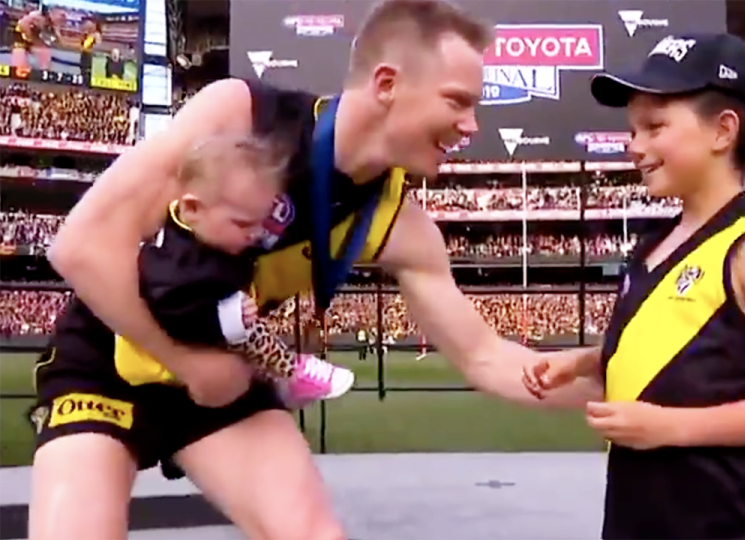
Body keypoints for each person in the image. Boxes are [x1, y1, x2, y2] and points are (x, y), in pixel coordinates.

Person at [35, 1, 594, 540]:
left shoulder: (402, 227)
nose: (471, 125)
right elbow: (82, 246)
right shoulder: (242, 116)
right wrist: (187, 362)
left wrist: (638, 383)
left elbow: (485, 356)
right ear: (386, 84)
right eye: (457, 101)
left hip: (226, 369)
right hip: (111, 355)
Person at [522, 33, 745, 540]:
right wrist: (584, 361)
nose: (635, 147)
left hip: (724, 520)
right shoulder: (652, 246)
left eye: (655, 127)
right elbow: (683, 353)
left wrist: (670, 428)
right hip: (637, 512)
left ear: (722, 131)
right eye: (632, 130)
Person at [32, 134, 356, 477]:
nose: (254, 234)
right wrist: (222, 318)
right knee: (250, 341)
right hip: (166, 357)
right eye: (244, 224)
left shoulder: (209, 231)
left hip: (187, 359)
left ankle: (271, 388)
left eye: (259, 222)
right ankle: (290, 373)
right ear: (191, 208)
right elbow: (171, 311)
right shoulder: (178, 266)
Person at [12, 6, 65, 71]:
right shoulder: (37, 16)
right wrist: (30, 37)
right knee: (20, 52)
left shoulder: (53, 23)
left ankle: (44, 70)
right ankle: (18, 70)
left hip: (34, 35)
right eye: (60, 17)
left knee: (45, 51)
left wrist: (56, 29)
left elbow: (58, 40)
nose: (61, 20)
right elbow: (23, 24)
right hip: (22, 33)